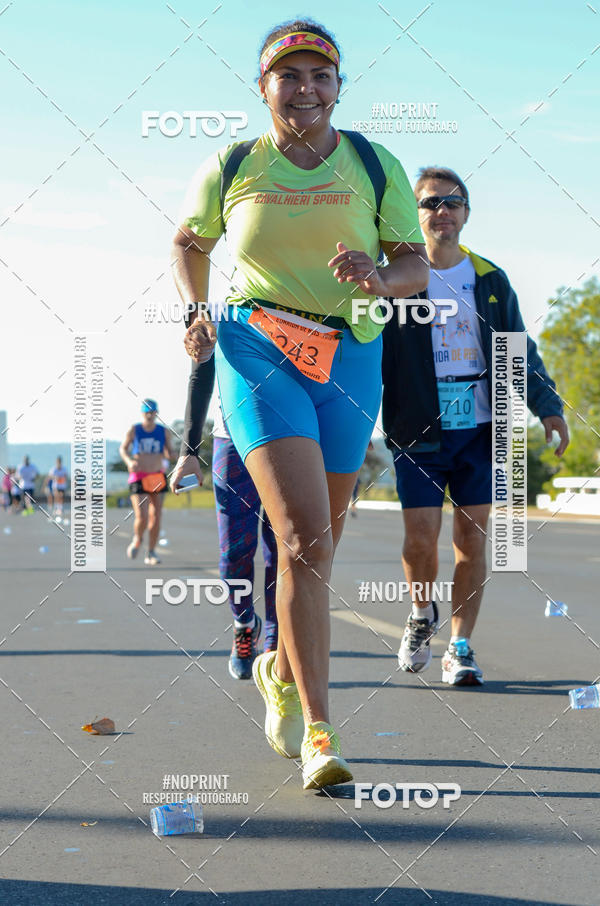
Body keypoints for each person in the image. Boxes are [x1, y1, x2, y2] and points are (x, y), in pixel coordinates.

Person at [172, 19, 428, 788]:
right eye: (290, 76)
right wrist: (195, 309)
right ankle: (321, 732)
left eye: (321, 76)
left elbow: (412, 262)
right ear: (264, 88)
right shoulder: (232, 164)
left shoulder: (374, 165)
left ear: (339, 87)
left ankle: (280, 674)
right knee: (303, 538)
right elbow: (189, 241)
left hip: (350, 353)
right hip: (257, 347)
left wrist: (380, 279)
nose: (306, 89)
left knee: (315, 550)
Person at [382, 166, 569, 686]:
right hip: (418, 426)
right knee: (420, 539)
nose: (442, 211)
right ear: (414, 213)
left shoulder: (488, 277)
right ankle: (422, 613)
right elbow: (362, 350)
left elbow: (517, 346)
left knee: (472, 539)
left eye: (453, 202)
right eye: (430, 203)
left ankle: (460, 647)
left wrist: (546, 404)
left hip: (485, 428)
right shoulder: (393, 279)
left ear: (466, 213)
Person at [170, 339, 279, 680]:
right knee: (234, 552)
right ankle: (245, 623)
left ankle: (277, 642)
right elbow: (201, 373)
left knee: (284, 549)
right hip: (230, 436)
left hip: (290, 436)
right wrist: (189, 450)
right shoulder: (217, 306)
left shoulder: (298, 294)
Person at [119, 400, 175, 565]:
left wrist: (172, 454)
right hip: (139, 476)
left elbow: (168, 450)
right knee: (142, 516)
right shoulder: (134, 430)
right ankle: (137, 538)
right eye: (147, 412)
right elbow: (123, 448)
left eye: (153, 412)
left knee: (156, 516)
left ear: (156, 413)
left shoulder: (163, 432)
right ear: (142, 413)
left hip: (156, 476)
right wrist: (129, 461)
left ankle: (151, 552)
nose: (150, 415)